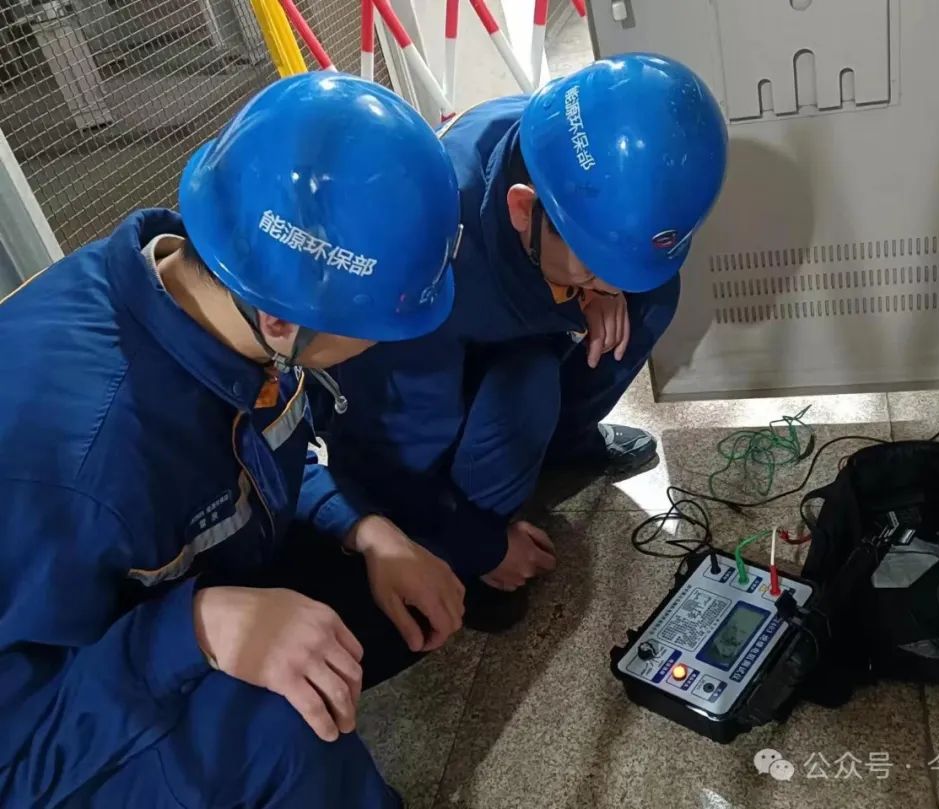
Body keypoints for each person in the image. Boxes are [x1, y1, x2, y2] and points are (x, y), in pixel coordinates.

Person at [0, 72, 465, 808]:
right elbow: (16, 752)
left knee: (387, 589)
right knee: (276, 733)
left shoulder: (218, 306)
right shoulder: (76, 466)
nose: (378, 345)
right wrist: (193, 631)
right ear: (282, 322)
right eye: (369, 328)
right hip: (44, 732)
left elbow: (255, 451)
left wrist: (366, 529)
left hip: (136, 614)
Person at [311, 54, 728, 621]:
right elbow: (381, 457)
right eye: (597, 265)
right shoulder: (426, 260)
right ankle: (466, 549)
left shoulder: (563, 157)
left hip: (508, 298)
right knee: (525, 389)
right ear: (523, 209)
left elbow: (616, 258)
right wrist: (477, 544)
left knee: (650, 297)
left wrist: (598, 284)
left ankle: (563, 444)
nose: (614, 284)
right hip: (410, 391)